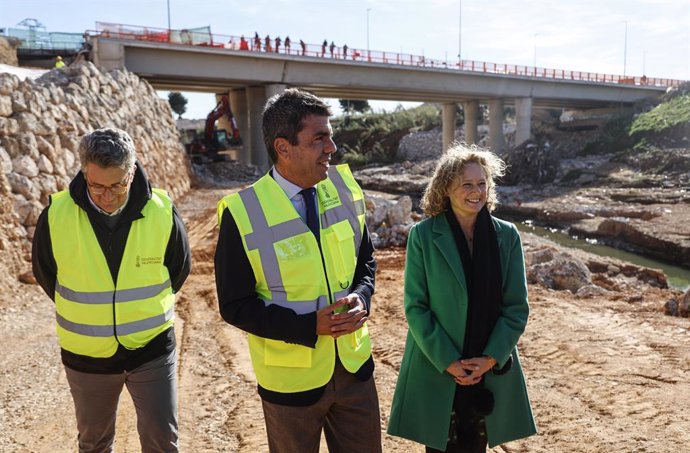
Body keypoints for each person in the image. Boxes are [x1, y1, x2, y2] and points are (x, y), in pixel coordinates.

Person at [215, 88, 382, 453]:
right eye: (319, 137)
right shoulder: (242, 213)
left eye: (330, 135)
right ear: (283, 147)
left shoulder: (344, 189)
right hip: (290, 384)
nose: (332, 147)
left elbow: (365, 261)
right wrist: (309, 327)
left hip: (354, 370)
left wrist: (362, 296)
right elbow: (234, 305)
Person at [32, 127, 191, 453]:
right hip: (86, 356)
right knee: (94, 444)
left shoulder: (161, 210)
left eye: (117, 185)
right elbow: (48, 275)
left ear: (132, 171)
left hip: (152, 349)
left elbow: (179, 268)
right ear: (83, 172)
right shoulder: (56, 215)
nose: (106, 195)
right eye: (96, 186)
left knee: (162, 441)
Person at [387, 144, 537, 452]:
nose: (476, 191)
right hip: (439, 367)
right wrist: (449, 362)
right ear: (446, 188)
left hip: (489, 369)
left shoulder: (507, 235)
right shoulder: (423, 236)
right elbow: (416, 307)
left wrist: (490, 359)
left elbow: (516, 308)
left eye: (482, 183)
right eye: (467, 184)